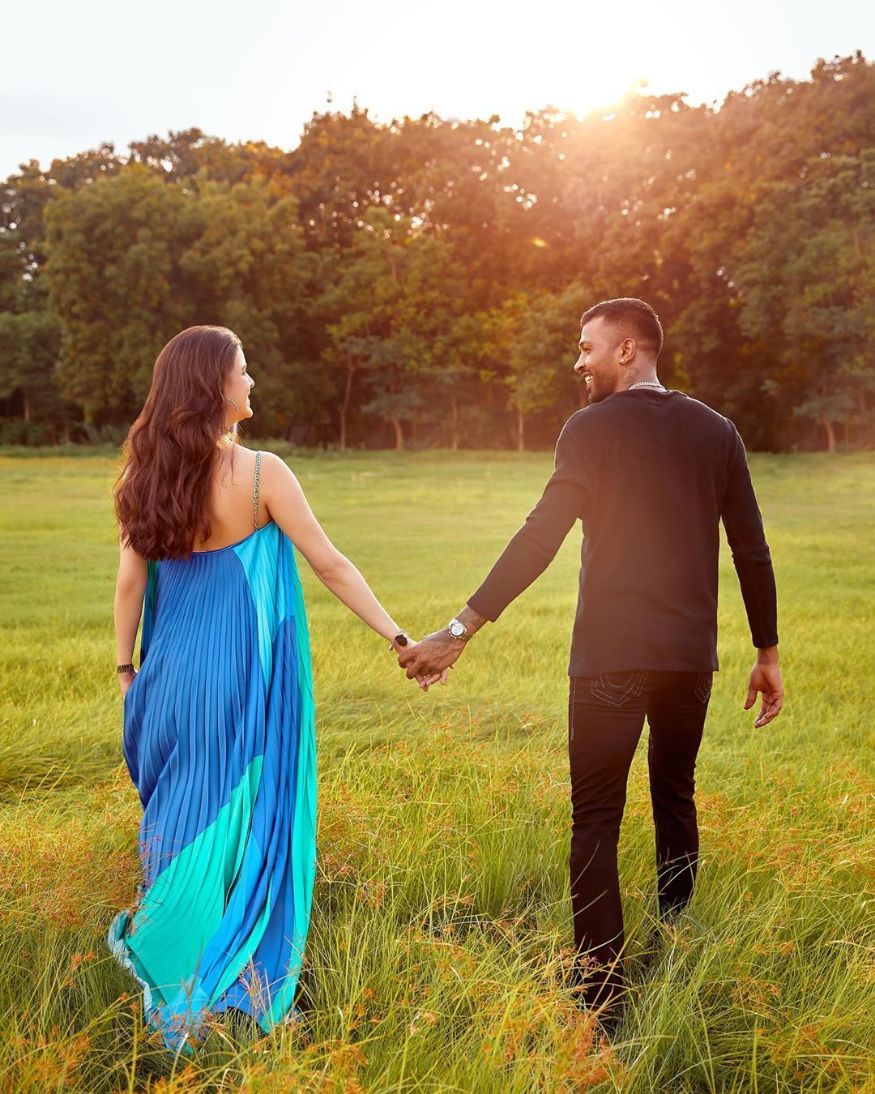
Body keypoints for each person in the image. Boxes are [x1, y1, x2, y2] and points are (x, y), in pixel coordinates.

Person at [397, 297, 784, 1026]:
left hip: (608, 659)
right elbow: (750, 548)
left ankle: (600, 997)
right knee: (675, 795)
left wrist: (458, 629)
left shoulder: (589, 429)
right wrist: (765, 651)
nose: (577, 363)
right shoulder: (716, 431)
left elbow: (539, 536)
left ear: (628, 350)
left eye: (586, 349)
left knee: (595, 819)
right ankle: (671, 941)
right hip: (685, 662)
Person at [109, 325, 438, 1053]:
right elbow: (331, 564)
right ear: (214, 387)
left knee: (184, 816)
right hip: (240, 679)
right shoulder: (261, 474)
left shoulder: (145, 475)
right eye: (244, 372)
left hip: (166, 681)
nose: (252, 384)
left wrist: (127, 673)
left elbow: (130, 584)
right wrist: (398, 638)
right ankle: (241, 979)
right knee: (249, 818)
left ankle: (170, 963)